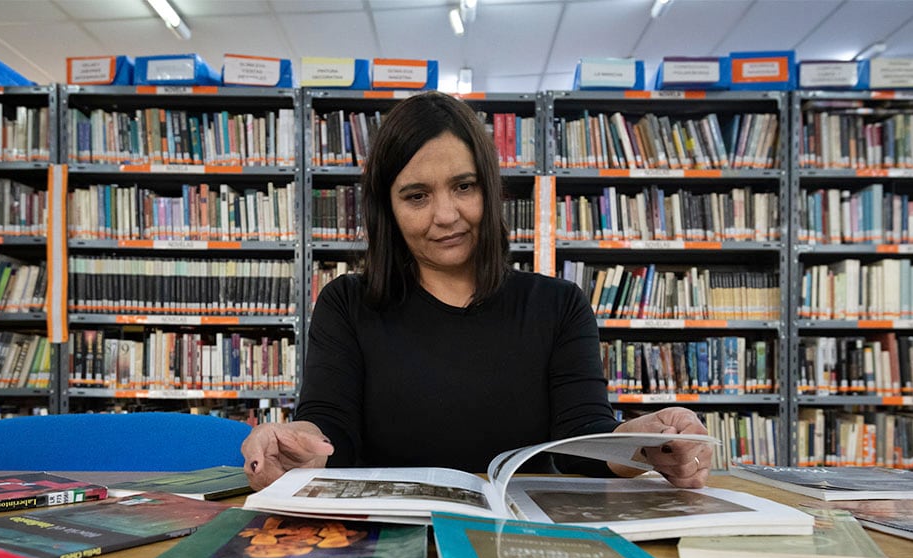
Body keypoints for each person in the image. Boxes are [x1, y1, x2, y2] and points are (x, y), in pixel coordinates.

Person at [242, 91, 713, 491]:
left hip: (520, 537)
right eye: (417, 196)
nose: (446, 215)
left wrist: (640, 440)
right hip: (387, 536)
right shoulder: (346, 303)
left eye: (464, 186)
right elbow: (330, 429)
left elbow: (580, 442)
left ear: (490, 189)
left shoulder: (559, 305)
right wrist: (294, 441)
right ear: (387, 209)